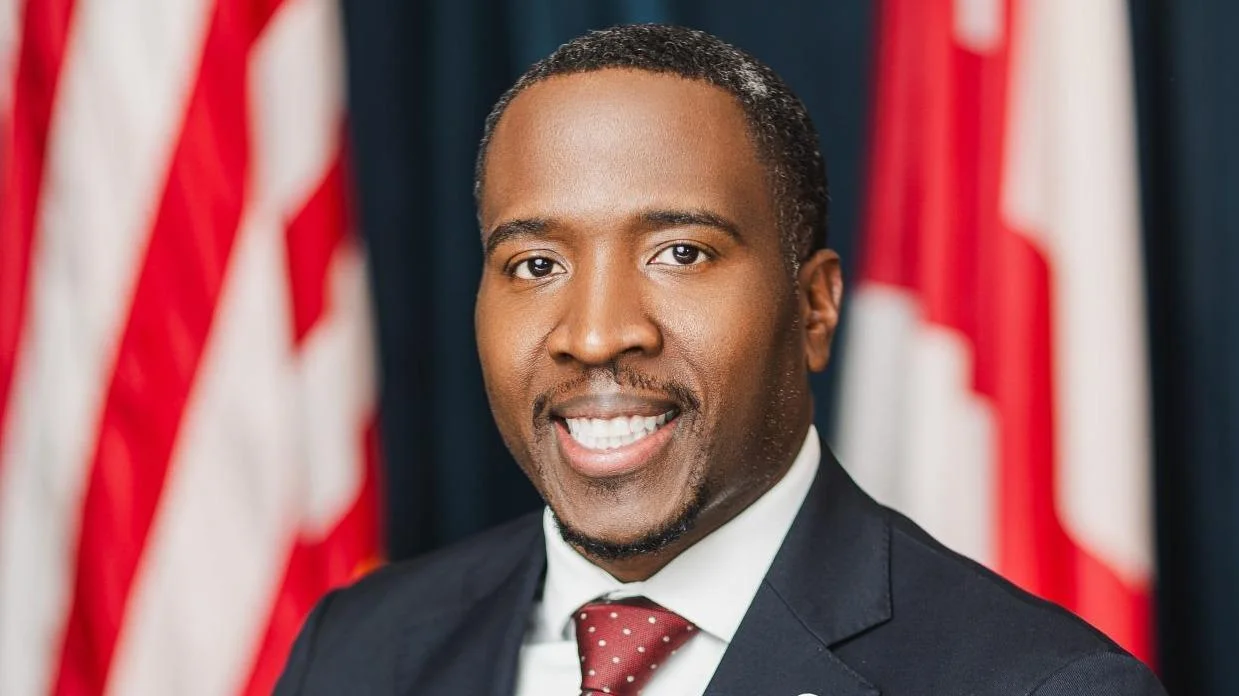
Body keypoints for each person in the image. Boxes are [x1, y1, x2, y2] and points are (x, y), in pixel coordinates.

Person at [275, 24, 1166, 696]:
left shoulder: (1040, 685)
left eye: (680, 253)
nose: (596, 334)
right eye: (536, 265)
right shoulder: (355, 649)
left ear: (813, 306)